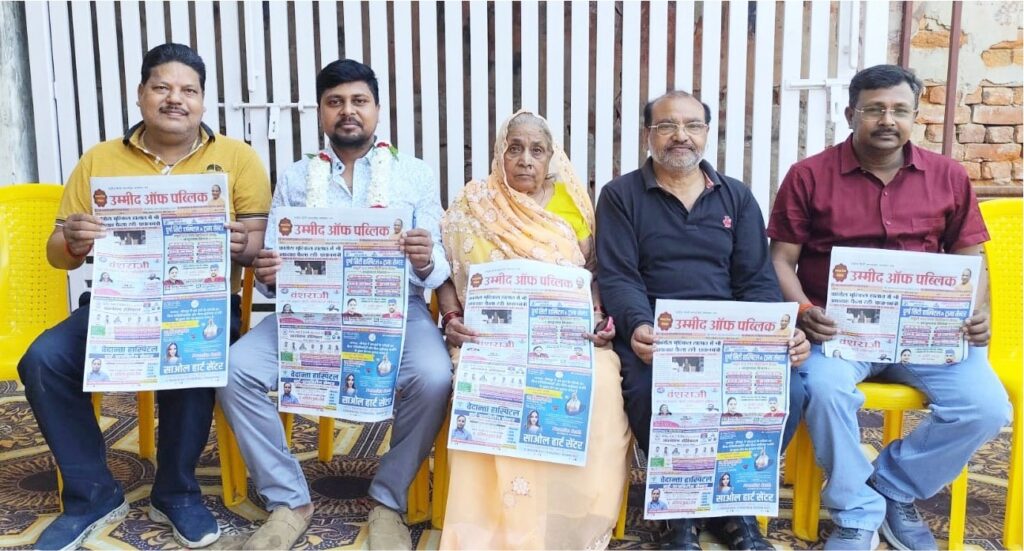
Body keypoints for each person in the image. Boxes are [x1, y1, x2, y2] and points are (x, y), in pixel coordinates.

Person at [16, 43, 268, 550]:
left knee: (195, 354)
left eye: (188, 90)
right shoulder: (99, 159)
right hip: (119, 305)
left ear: (202, 101)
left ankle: (175, 491)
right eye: (162, 87)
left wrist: (244, 243)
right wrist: (74, 239)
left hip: (201, 307)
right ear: (140, 94)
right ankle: (92, 495)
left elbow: (256, 247)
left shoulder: (237, 158)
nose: (176, 99)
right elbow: (58, 255)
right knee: (42, 360)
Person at [767, 64, 1011, 550]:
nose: (887, 120)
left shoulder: (947, 176)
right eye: (874, 109)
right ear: (850, 114)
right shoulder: (808, 176)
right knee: (823, 389)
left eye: (900, 110)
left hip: (929, 333)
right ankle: (856, 511)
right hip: (838, 333)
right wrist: (805, 309)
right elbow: (780, 260)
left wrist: (975, 309)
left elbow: (971, 260)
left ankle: (892, 485)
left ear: (914, 116)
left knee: (985, 407)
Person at [216, 59, 451, 551]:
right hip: (310, 313)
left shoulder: (414, 174)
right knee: (234, 370)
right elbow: (275, 268)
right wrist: (269, 273)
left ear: (377, 109)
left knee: (434, 377)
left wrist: (426, 258)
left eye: (359, 101)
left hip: (395, 312)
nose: (348, 111)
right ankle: (289, 499)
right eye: (335, 102)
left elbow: (436, 266)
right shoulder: (297, 177)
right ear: (321, 111)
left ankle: (387, 499)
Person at [596, 90, 810, 550]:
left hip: (729, 339)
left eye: (692, 125)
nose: (681, 136)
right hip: (656, 338)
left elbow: (756, 281)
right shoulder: (620, 196)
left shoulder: (736, 197)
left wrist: (777, 334)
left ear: (707, 133)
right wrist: (638, 325)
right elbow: (619, 276)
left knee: (792, 390)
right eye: (667, 126)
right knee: (651, 393)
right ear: (648, 134)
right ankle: (681, 511)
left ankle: (732, 503)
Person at [438, 110, 630, 549]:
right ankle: (493, 525)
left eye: (537, 151)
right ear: (499, 154)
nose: (525, 159)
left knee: (602, 384)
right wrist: (451, 318)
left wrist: (599, 316)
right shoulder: (473, 204)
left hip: (567, 338)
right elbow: (445, 273)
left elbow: (594, 273)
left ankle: (569, 518)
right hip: (490, 339)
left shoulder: (571, 203)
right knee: (486, 383)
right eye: (515, 148)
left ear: (550, 158)